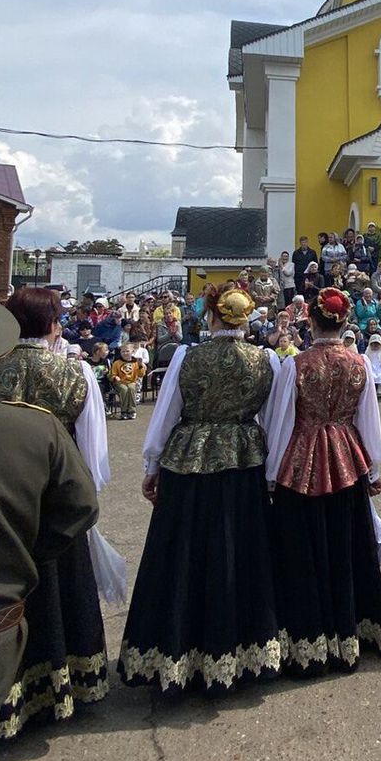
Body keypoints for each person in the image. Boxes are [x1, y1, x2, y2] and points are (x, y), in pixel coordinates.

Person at [119, 283, 289, 695]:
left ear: (212, 316)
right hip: (244, 461)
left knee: (183, 549)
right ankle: (240, 649)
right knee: (237, 548)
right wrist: (272, 475)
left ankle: (176, 649)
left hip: (187, 459)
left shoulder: (186, 356)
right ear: (247, 321)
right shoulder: (267, 360)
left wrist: (151, 464)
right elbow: (276, 420)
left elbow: (166, 414)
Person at [0, 287, 110, 740]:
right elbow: (93, 450)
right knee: (57, 586)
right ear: (52, 325)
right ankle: (61, 682)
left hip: (6, 493)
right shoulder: (73, 372)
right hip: (57, 495)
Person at [265, 287, 381, 673]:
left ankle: (308, 638)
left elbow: (283, 421)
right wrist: (372, 469)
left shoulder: (296, 364)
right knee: (347, 542)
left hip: (302, 457)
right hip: (346, 455)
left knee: (305, 545)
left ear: (313, 321)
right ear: (344, 323)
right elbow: (368, 419)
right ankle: (355, 628)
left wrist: (272, 473)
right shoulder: (358, 363)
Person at [110, 342, 146, 420]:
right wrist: (115, 377)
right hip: (120, 382)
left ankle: (132, 410)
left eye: (127, 351)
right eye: (123, 351)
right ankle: (124, 411)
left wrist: (140, 366)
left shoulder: (136, 362)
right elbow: (112, 374)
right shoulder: (117, 363)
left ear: (132, 352)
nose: (125, 353)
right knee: (124, 389)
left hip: (132, 381)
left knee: (131, 388)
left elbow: (141, 374)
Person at [364, 332, 381, 397]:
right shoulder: (368, 351)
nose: (375, 346)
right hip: (371, 367)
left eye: (377, 344)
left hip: (380, 367)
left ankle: (379, 387)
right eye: (373, 344)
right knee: (371, 376)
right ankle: (372, 390)